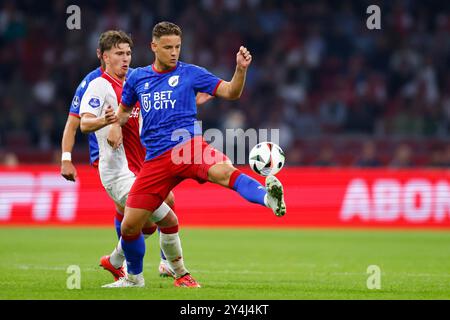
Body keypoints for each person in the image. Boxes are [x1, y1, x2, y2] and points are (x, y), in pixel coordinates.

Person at [107, 21, 286, 287]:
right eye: (168, 47)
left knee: (225, 172)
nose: (174, 52)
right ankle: (138, 278)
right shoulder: (137, 78)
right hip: (155, 159)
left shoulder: (191, 73)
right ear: (153, 46)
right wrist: (114, 125)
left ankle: (267, 199)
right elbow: (123, 111)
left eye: (178, 47)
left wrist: (240, 70)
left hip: (188, 147)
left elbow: (231, 92)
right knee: (130, 226)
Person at [60, 30, 210, 281]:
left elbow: (156, 106)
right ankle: (164, 270)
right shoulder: (95, 84)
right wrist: (66, 157)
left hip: (141, 157)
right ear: (103, 56)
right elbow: (77, 122)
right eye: (119, 53)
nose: (126, 58)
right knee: (152, 215)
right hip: (115, 163)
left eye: (128, 53)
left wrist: (191, 101)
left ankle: (117, 261)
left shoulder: (136, 80)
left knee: (144, 219)